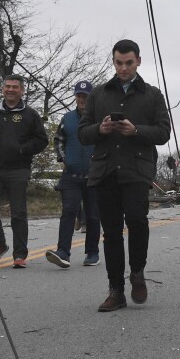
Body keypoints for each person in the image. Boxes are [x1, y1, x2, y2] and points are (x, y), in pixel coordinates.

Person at [79, 39, 172, 312]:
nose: (123, 68)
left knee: (136, 220)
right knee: (111, 233)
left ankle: (138, 273)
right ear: (113, 61)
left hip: (137, 169)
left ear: (138, 61)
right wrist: (101, 129)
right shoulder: (98, 94)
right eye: (119, 63)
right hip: (105, 170)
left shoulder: (153, 95)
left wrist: (137, 131)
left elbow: (164, 133)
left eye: (129, 63)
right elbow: (83, 133)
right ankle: (116, 290)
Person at [0, 75, 49, 268]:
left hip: (18, 169)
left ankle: (20, 254)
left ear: (22, 90)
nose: (10, 90)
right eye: (7, 86)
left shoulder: (30, 115)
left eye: (15, 87)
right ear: (3, 89)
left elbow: (42, 140)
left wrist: (22, 149)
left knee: (18, 213)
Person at [49, 80, 100, 269]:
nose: (81, 99)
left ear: (91, 98)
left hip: (94, 176)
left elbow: (105, 142)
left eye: (85, 96)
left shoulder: (99, 118)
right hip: (71, 175)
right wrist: (63, 160)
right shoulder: (67, 118)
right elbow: (58, 140)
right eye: (79, 95)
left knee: (93, 215)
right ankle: (63, 252)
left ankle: (92, 253)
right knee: (69, 211)